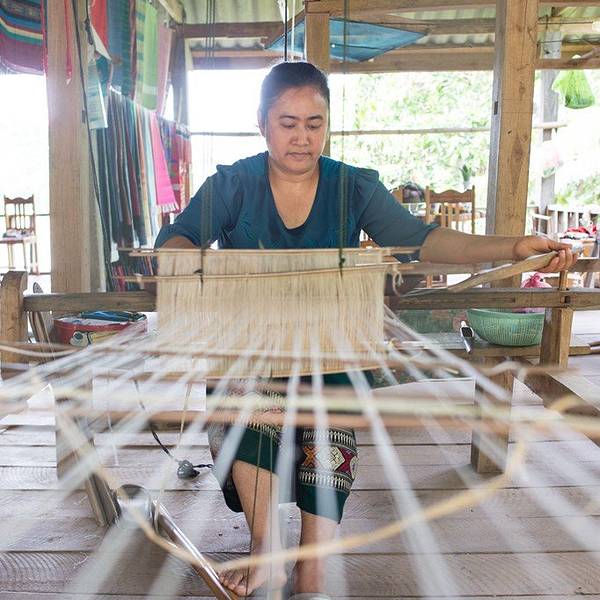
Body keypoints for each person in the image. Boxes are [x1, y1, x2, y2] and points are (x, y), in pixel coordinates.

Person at [155, 61, 577, 598]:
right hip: (253, 341)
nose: (302, 137)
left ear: (327, 124)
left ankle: (313, 568)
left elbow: (422, 239)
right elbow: (176, 242)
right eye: (288, 123)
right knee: (247, 397)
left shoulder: (352, 187)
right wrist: (196, 263)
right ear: (262, 123)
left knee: (326, 413)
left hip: (331, 345)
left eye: (314, 123)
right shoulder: (232, 185)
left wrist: (511, 246)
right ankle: (267, 554)